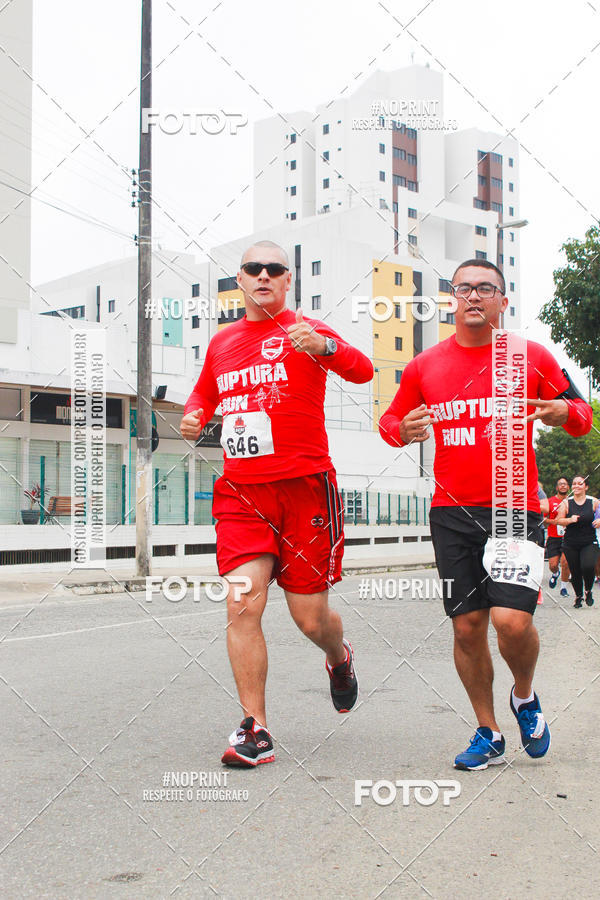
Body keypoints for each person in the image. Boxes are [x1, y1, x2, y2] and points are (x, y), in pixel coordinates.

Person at [379, 258, 593, 771]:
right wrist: (400, 430)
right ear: (452, 298)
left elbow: (582, 417)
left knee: (511, 623)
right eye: (463, 288)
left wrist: (565, 411)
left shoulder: (529, 356)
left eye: (485, 288)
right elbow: (389, 421)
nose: (473, 296)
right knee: (468, 627)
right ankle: (488, 731)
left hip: (514, 508)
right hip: (452, 512)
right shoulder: (425, 365)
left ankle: (524, 696)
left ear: (502, 299)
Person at [180, 240, 373, 767]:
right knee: (241, 603)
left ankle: (338, 655)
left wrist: (324, 347)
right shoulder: (223, 343)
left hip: (304, 490)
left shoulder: (307, 330)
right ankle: (256, 728)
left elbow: (362, 370)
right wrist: (195, 416)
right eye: (253, 269)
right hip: (243, 494)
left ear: (288, 280)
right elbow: (203, 395)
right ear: (240, 280)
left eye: (274, 269)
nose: (263, 276)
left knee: (310, 619)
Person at [554, 475, 600, 608]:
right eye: (574, 484)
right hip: (571, 542)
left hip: (589, 541)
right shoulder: (566, 503)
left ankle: (588, 590)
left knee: (588, 566)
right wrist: (570, 520)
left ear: (586, 487)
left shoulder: (594, 502)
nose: (576, 486)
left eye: (580, 483)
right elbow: (558, 520)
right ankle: (578, 596)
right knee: (575, 571)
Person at [543, 476, 571, 592]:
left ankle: (564, 588)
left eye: (565, 484)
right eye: (560, 484)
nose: (563, 486)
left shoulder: (572, 501)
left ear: (568, 487)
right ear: (557, 487)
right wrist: (554, 521)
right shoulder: (550, 501)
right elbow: (543, 520)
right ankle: (555, 574)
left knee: (565, 562)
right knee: (553, 565)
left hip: (569, 537)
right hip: (554, 537)